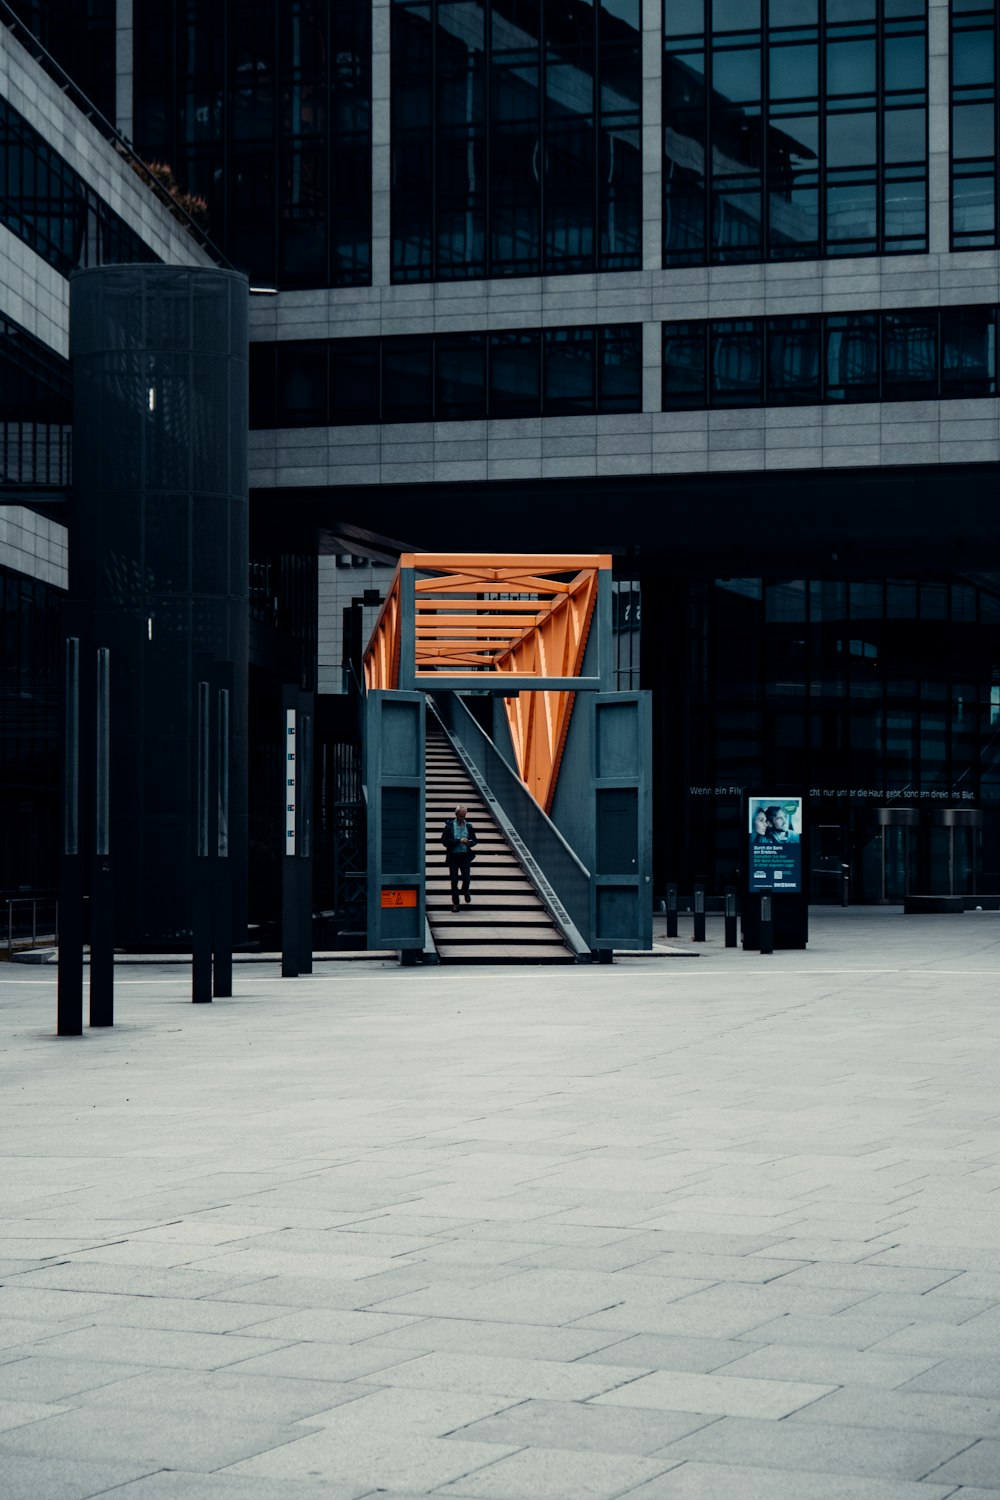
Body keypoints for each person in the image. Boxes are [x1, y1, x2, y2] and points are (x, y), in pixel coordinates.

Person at [441, 803, 478, 911]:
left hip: (465, 856)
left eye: (464, 816)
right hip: (453, 857)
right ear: (456, 815)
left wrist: (470, 843)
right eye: (461, 816)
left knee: (466, 879)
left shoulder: (469, 826)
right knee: (454, 880)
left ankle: (465, 890)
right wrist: (458, 841)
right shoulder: (450, 826)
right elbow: (444, 841)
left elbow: (475, 840)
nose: (463, 818)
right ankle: (456, 903)